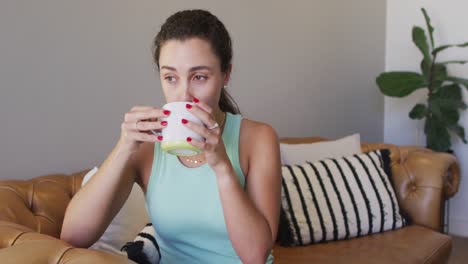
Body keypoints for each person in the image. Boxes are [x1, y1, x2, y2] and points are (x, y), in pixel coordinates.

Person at [61, 9, 281, 264]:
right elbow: (72, 237)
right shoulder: (146, 148)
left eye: (199, 77)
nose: (183, 95)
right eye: (170, 77)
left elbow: (255, 255)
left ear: (226, 74)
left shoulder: (258, 139)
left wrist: (222, 168)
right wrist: (124, 147)